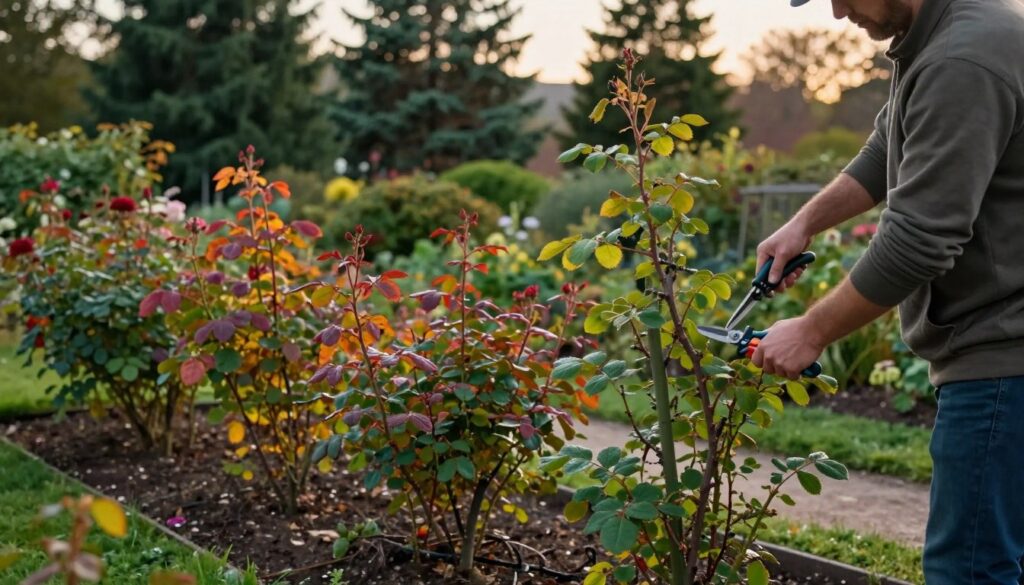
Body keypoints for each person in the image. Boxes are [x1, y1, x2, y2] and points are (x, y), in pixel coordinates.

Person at [755, 0, 1024, 582]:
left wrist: (810, 331)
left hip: (1004, 360)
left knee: (970, 568)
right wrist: (805, 222)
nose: (836, 11)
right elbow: (887, 150)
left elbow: (921, 239)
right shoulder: (945, 35)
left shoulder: (963, 57)